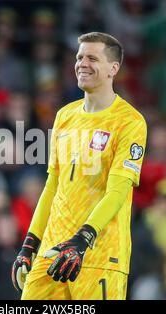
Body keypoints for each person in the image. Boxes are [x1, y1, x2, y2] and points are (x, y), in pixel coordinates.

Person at [11, 32, 147, 300]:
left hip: (99, 255)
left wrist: (83, 239)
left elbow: (117, 192)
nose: (82, 63)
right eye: (79, 57)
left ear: (113, 69)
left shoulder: (130, 122)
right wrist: (30, 244)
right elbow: (52, 185)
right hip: (52, 252)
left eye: (92, 58)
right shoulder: (65, 115)